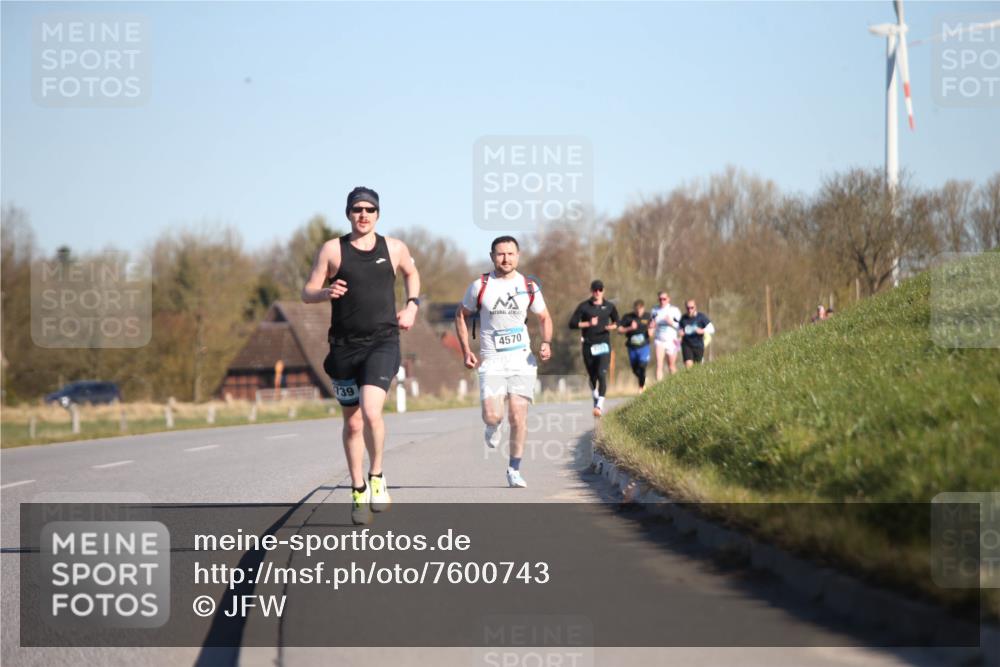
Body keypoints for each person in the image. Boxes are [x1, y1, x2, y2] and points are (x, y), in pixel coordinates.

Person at [302, 186, 420, 525]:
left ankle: (377, 477)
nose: (363, 215)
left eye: (370, 209)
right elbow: (306, 291)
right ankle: (357, 490)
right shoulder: (332, 250)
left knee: (371, 412)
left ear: (378, 213)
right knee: (352, 422)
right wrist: (325, 291)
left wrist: (412, 305)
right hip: (343, 346)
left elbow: (412, 274)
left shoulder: (394, 248)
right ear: (348, 214)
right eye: (357, 209)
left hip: (383, 341)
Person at [454, 236, 552, 488]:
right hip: (493, 361)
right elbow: (461, 316)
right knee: (492, 415)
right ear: (492, 256)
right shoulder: (480, 286)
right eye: (500, 254)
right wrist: (466, 350)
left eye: (510, 254)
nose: (505, 259)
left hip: (522, 360)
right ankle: (492, 425)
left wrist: (546, 342)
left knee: (518, 415)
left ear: (518, 256)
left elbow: (544, 317)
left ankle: (514, 469)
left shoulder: (529, 286)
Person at [568, 280, 619, 417]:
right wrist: (588, 323)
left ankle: (599, 406)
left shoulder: (609, 306)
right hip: (588, 345)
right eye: (595, 289)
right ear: (591, 291)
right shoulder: (584, 307)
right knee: (592, 376)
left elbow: (617, 322)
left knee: (602, 373)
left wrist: (612, 327)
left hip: (603, 344)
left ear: (603, 290)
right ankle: (595, 396)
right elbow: (572, 324)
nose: (597, 292)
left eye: (600, 289)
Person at [617, 299, 651, 392]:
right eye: (636, 310)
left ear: (643, 308)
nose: (638, 312)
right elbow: (619, 330)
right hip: (632, 348)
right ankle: (643, 379)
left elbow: (652, 329)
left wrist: (651, 329)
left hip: (644, 347)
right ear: (634, 309)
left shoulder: (648, 316)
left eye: (640, 310)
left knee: (642, 366)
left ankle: (641, 388)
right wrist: (630, 328)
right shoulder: (627, 317)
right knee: (635, 370)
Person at [649, 291, 682, 380]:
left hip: (673, 341)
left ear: (668, 299)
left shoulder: (674, 310)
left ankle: (676, 385)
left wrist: (671, 322)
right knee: (659, 364)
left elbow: (680, 326)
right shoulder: (655, 310)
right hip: (659, 340)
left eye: (664, 299)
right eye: (660, 299)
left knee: (671, 366)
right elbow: (651, 324)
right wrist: (651, 326)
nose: (662, 301)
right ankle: (659, 388)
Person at [678, 299, 715, 368]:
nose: (690, 310)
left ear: (695, 307)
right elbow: (679, 329)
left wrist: (702, 330)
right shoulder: (683, 318)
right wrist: (680, 333)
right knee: (688, 364)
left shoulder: (701, 317)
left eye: (692, 307)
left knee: (697, 366)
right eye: (688, 308)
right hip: (686, 344)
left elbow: (712, 329)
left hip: (698, 345)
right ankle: (689, 377)